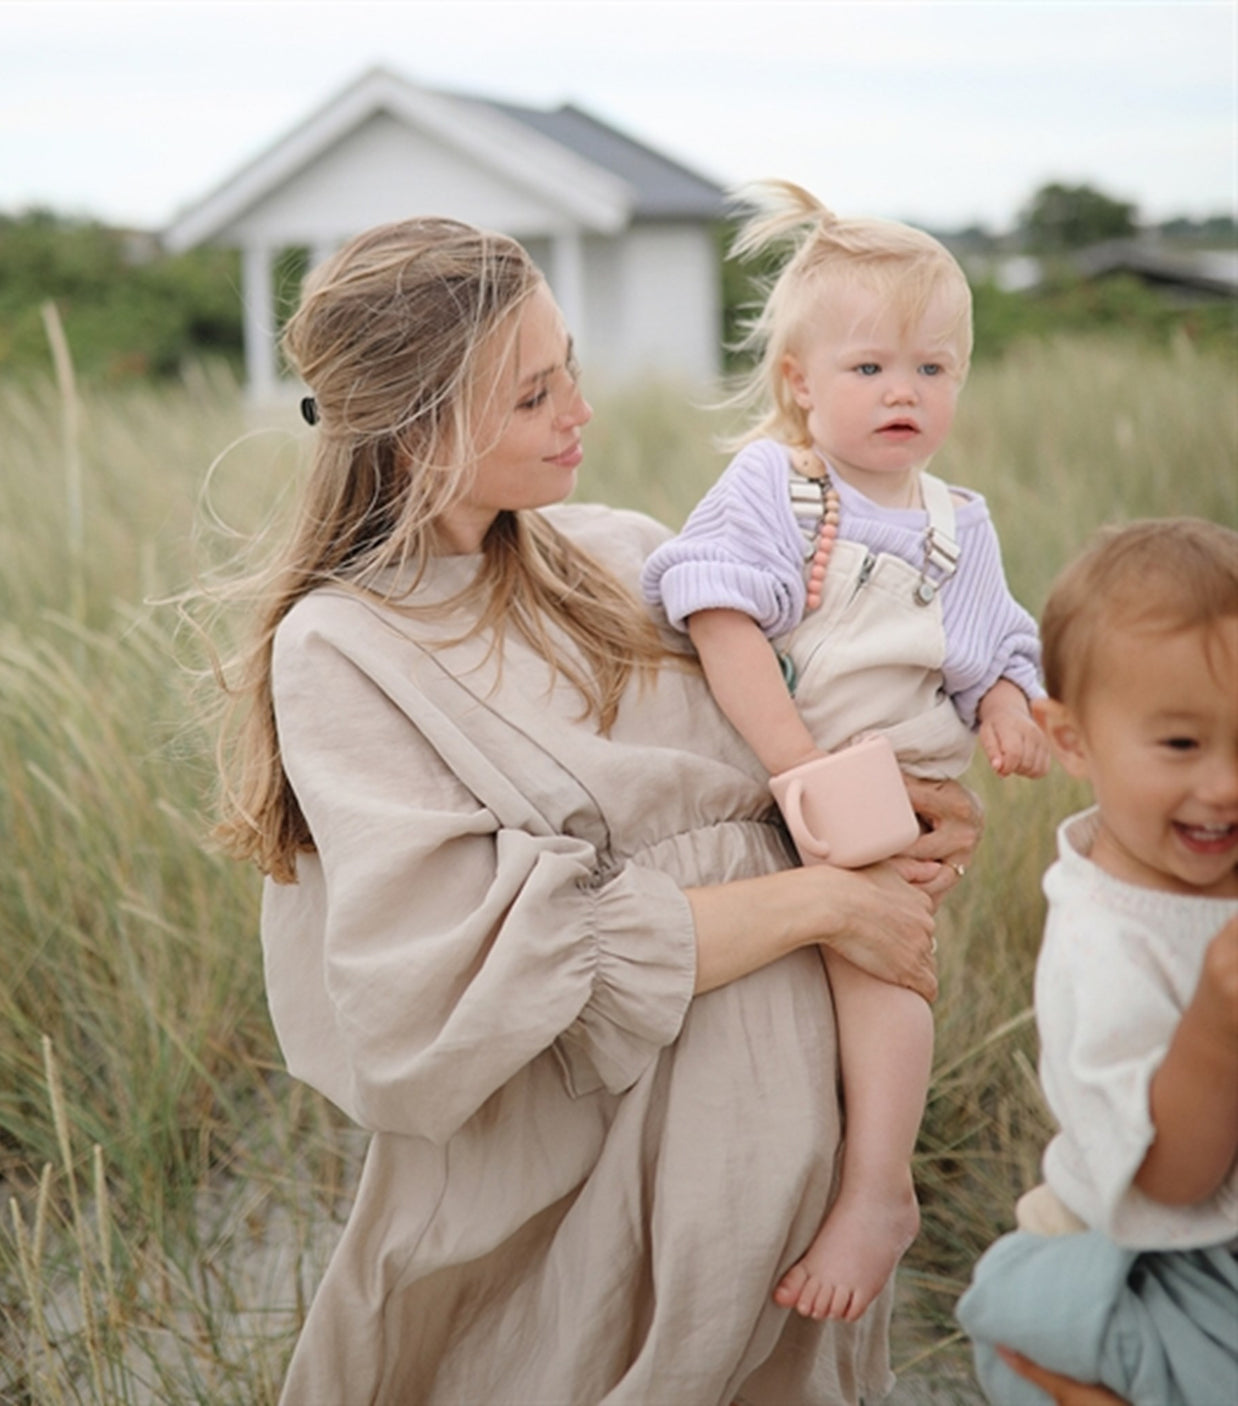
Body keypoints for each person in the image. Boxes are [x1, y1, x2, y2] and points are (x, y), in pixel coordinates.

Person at [203, 215, 982, 1405]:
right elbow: (460, 973)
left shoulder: (626, 553)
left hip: (787, 1189)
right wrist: (819, 900)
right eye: (530, 394)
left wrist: (919, 805)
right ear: (416, 430)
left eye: (567, 365)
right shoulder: (345, 646)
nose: (579, 408)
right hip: (573, 1191)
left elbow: (799, 746)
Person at [641, 180, 1048, 1324]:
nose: (901, 392)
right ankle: (815, 1178)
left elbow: (991, 646)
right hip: (803, 759)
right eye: (868, 368)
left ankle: (877, 1189)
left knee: (879, 961)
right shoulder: (777, 485)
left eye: (931, 368)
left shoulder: (955, 521)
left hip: (898, 774)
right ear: (799, 385)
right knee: (809, 978)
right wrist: (794, 761)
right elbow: (715, 611)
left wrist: (1011, 707)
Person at [957, 518, 1238, 1405]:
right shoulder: (1104, 942)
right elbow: (1173, 1180)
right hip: (1162, 1252)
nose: (1225, 783)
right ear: (1072, 742)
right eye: (1182, 745)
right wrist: (1216, 1029)